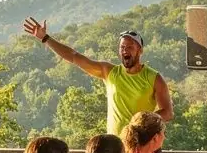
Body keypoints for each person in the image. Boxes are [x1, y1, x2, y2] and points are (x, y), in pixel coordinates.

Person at [22, 19, 174, 135]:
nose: (125, 50)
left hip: (144, 148)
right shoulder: (109, 72)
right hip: (116, 150)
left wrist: (142, 121)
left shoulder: (154, 78)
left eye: (130, 47)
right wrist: (45, 38)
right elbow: (74, 56)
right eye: (122, 47)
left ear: (140, 51)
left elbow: (167, 112)